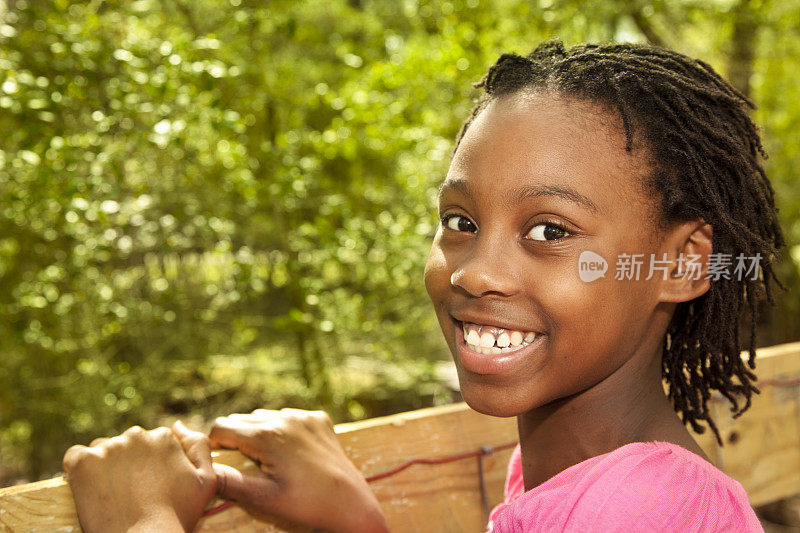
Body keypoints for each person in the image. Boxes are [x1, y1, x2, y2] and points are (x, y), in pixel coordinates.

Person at [62, 40, 784, 532]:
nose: (475, 270)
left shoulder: (638, 511)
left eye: (551, 231)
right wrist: (360, 520)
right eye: (461, 219)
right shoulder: (574, 469)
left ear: (682, 262)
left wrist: (143, 519)